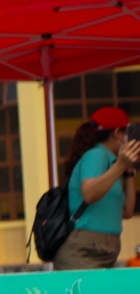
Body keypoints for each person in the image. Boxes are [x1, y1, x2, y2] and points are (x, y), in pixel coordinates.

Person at [54, 106, 139, 271]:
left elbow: (127, 211)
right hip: (83, 250)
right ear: (118, 133)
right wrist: (120, 165)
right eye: (128, 133)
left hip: (105, 250)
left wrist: (128, 171)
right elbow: (89, 194)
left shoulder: (114, 163)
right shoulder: (97, 155)